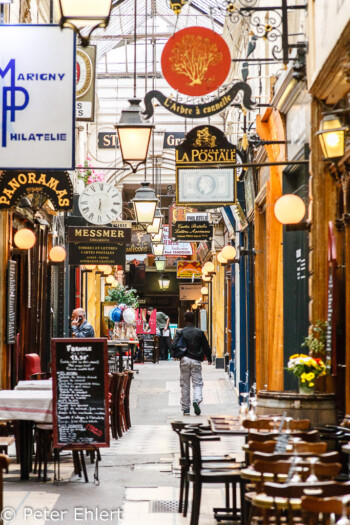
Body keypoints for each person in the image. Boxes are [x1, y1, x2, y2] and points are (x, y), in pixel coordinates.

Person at [172, 310, 212, 416]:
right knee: (197, 383)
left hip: (184, 360)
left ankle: (186, 409)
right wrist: (209, 358)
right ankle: (196, 399)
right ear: (194, 319)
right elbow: (206, 346)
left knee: (185, 385)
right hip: (196, 361)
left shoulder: (181, 332)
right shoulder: (200, 332)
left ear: (184, 319)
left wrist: (178, 353)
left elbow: (174, 345)